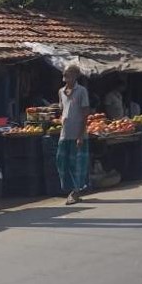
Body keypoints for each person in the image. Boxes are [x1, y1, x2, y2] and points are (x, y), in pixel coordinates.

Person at [56, 65, 91, 205]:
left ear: (76, 76)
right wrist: (61, 120)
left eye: (69, 74)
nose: (65, 76)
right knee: (62, 162)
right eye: (65, 74)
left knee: (78, 165)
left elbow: (84, 114)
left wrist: (81, 135)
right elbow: (63, 110)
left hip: (78, 133)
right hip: (65, 133)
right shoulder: (61, 92)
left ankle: (76, 192)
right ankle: (71, 189)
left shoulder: (81, 91)